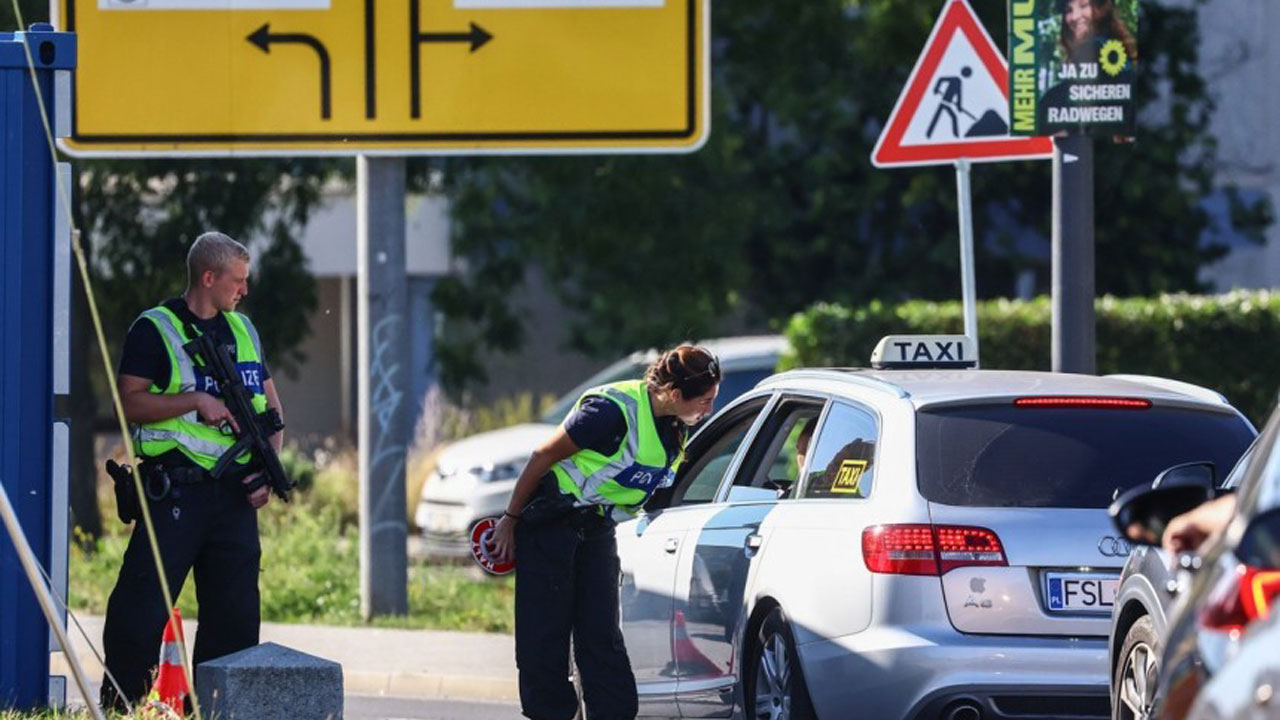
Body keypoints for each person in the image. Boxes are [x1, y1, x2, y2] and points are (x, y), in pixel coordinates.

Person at [100, 231, 283, 711]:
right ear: (209, 276)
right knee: (140, 613)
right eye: (237, 280)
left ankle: (220, 709)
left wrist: (267, 471)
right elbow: (128, 402)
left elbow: (271, 410)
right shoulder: (155, 328)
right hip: (176, 494)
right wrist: (196, 401)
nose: (243, 290)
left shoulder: (244, 330)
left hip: (236, 496)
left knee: (236, 620)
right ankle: (122, 706)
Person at [489, 345, 722, 720]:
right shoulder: (610, 411)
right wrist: (510, 520)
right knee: (544, 637)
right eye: (705, 401)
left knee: (601, 636)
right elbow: (542, 457)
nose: (708, 410)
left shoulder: (673, 424)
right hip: (551, 524)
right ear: (676, 395)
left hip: (595, 528)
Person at [1058, 0, 1136, 66]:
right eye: (1068, 10)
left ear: (1102, 8)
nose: (1074, 17)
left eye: (1083, 6)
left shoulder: (1103, 50)